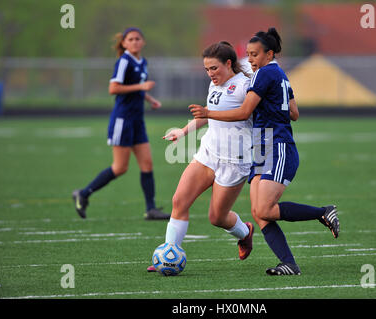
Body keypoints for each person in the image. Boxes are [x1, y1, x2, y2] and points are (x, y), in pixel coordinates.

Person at [190, 27, 340, 276]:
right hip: (262, 146)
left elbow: (244, 112)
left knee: (266, 209)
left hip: (276, 145)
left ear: (269, 53)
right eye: (248, 54)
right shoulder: (280, 74)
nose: (249, 59)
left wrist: (208, 113)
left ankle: (323, 212)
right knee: (260, 214)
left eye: (254, 54)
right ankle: (289, 264)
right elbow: (294, 113)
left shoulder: (263, 74)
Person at [148, 41, 254, 272]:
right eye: (207, 69)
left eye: (214, 68)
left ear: (229, 63)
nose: (210, 74)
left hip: (234, 161)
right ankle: (169, 254)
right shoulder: (213, 85)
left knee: (217, 218)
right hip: (208, 153)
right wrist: (183, 131)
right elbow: (208, 115)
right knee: (179, 201)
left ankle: (245, 232)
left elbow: (246, 115)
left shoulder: (246, 86)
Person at [72, 27, 170, 221]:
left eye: (137, 39)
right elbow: (113, 88)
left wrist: (149, 99)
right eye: (130, 39)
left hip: (137, 120)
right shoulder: (124, 61)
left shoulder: (143, 62)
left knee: (147, 164)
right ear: (124, 43)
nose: (134, 42)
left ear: (143, 42)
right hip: (122, 120)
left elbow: (136, 89)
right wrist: (142, 87)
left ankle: (150, 209)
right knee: (120, 167)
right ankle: (83, 194)